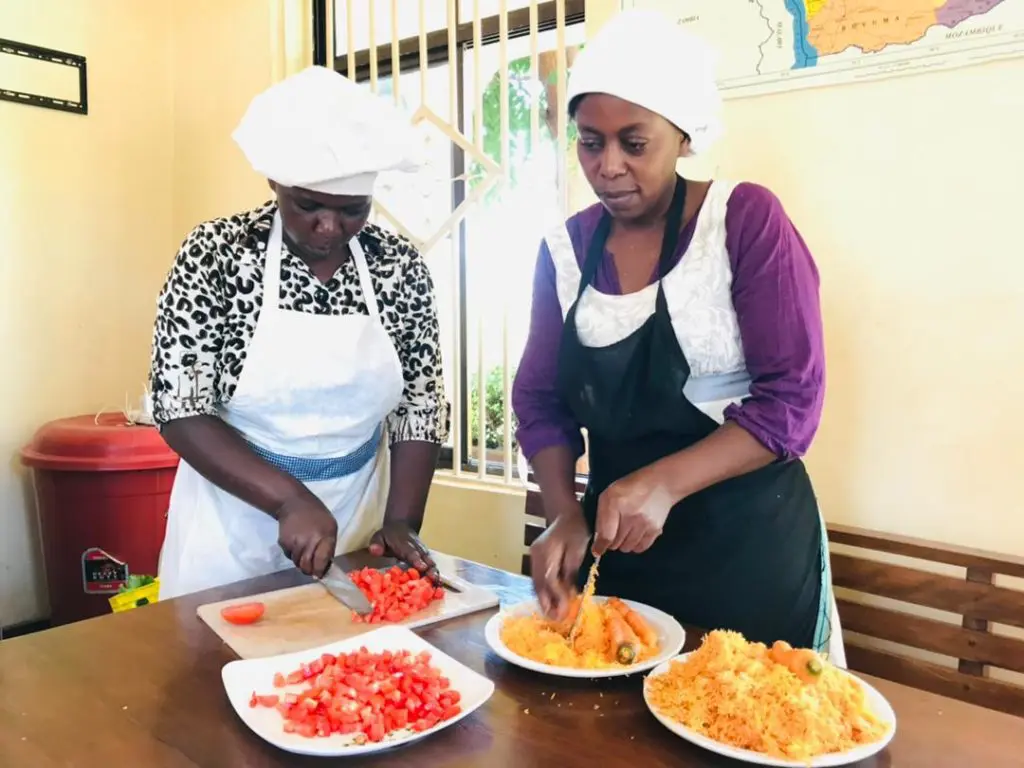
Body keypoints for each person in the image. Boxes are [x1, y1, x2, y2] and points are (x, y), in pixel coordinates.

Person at [512, 10, 845, 661]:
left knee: (744, 720)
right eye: (589, 141)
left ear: (684, 136)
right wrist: (563, 510)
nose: (607, 166)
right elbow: (539, 399)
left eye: (633, 143)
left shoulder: (745, 221)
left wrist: (663, 484)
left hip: (749, 551)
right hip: (623, 557)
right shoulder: (564, 251)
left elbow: (792, 402)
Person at [150, 66, 449, 600]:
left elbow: (419, 406)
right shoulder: (216, 254)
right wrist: (288, 499)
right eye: (308, 205)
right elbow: (181, 408)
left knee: (346, 674)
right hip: (228, 529)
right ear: (275, 182)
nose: (329, 228)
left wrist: (402, 520)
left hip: (354, 520)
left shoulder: (398, 267)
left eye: (352, 210)